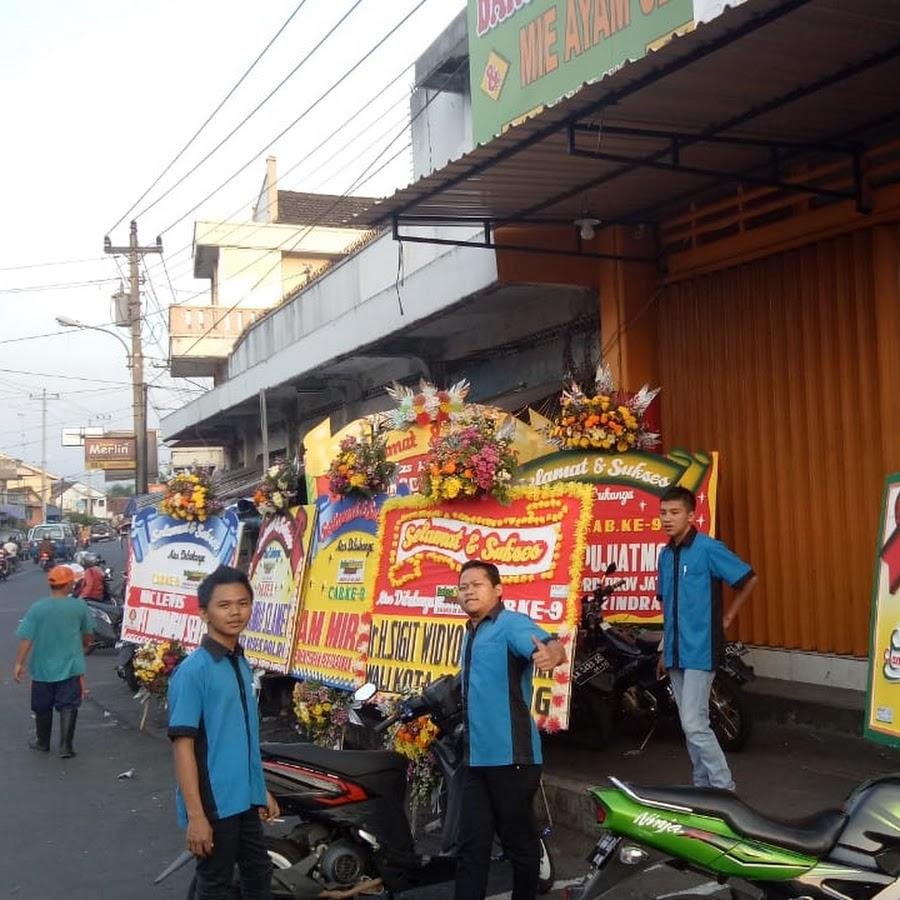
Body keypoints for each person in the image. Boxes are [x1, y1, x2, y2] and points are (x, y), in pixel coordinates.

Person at [454, 559, 567, 900]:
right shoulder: (471, 631)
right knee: (472, 846)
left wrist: (552, 654)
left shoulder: (510, 624)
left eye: (477, 584)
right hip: (476, 761)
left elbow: (549, 645)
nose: (468, 591)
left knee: (520, 844)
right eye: (463, 586)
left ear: (498, 590)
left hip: (512, 759)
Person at [167, 566, 279, 900]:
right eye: (224, 605)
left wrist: (260, 790)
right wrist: (197, 816)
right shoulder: (193, 672)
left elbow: (241, 737)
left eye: (242, 603)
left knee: (258, 872)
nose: (235, 612)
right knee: (215, 882)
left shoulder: (239, 661)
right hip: (214, 802)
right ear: (204, 613)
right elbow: (183, 747)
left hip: (243, 798)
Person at [656, 486, 758, 791]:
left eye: (674, 512)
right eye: (663, 513)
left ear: (691, 514)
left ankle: (724, 787)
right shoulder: (665, 555)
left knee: (694, 723)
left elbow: (749, 579)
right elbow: (668, 608)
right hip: (674, 651)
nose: (667, 518)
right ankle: (702, 785)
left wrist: (728, 617)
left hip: (701, 648)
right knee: (690, 726)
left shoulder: (708, 548)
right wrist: (663, 649)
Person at [13, 565, 94, 757]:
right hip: (70, 667)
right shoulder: (79, 606)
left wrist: (19, 663)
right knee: (68, 705)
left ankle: (43, 742)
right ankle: (66, 746)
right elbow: (88, 636)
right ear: (68, 585)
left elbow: (26, 639)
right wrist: (83, 645)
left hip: (42, 669)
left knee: (42, 706)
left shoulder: (37, 608)